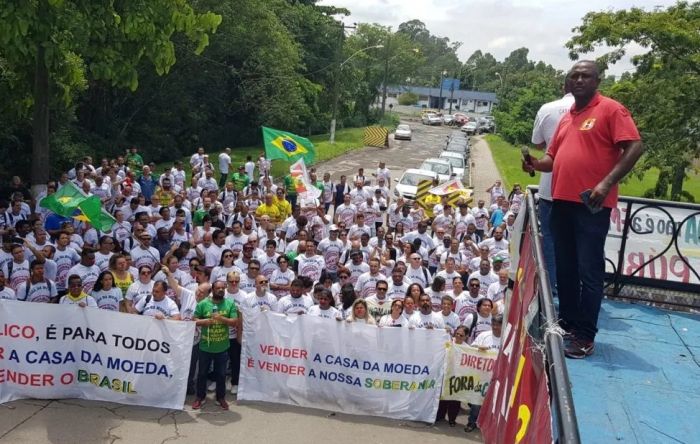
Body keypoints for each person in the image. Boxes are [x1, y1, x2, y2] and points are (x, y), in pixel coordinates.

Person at [523, 60, 643, 359]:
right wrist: (535, 165)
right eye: (574, 76)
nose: (578, 80)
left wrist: (606, 184)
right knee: (565, 267)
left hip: (590, 203)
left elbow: (635, 146)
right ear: (567, 82)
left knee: (589, 271)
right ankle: (567, 323)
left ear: (596, 80)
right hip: (561, 200)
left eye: (585, 76)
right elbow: (552, 158)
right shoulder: (568, 118)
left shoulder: (610, 109)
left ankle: (585, 335)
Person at [532, 82, 575, 299]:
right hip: (585, 192)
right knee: (580, 242)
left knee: (549, 239)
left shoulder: (547, 109)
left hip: (550, 187)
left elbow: (538, 144)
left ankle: (549, 289)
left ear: (562, 87)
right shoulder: (600, 111)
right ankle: (574, 291)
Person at [193, 280, 238, 410]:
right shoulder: (203, 304)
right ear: (212, 290)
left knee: (221, 374)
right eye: (218, 288)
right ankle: (200, 398)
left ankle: (220, 398)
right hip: (205, 347)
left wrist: (221, 318)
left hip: (222, 347)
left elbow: (235, 321)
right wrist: (204, 321)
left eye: (223, 288)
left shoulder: (229, 304)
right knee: (202, 374)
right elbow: (194, 320)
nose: (220, 290)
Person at [465, 314, 503, 433]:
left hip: (498, 377)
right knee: (477, 401)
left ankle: (490, 427)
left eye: (498, 325)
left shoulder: (507, 338)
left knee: (496, 402)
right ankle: (472, 422)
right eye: (494, 324)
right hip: (481, 375)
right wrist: (479, 349)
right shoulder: (484, 336)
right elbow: (471, 350)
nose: (495, 327)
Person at [436, 324, 469, 427]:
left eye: (461, 335)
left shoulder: (468, 349)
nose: (458, 336)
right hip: (445, 374)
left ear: (466, 337)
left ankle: (452, 419)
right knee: (443, 397)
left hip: (458, 376)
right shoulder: (448, 342)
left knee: (455, 399)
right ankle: (440, 416)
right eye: (457, 334)